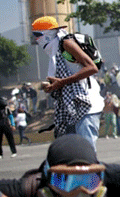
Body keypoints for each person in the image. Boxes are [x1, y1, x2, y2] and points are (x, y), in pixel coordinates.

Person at [32, 16, 104, 150]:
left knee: (86, 154)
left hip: (86, 105)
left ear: (47, 34)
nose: (36, 39)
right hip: (72, 108)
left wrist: (62, 82)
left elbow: (91, 67)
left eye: (37, 35)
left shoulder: (66, 44)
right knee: (71, 154)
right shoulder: (56, 50)